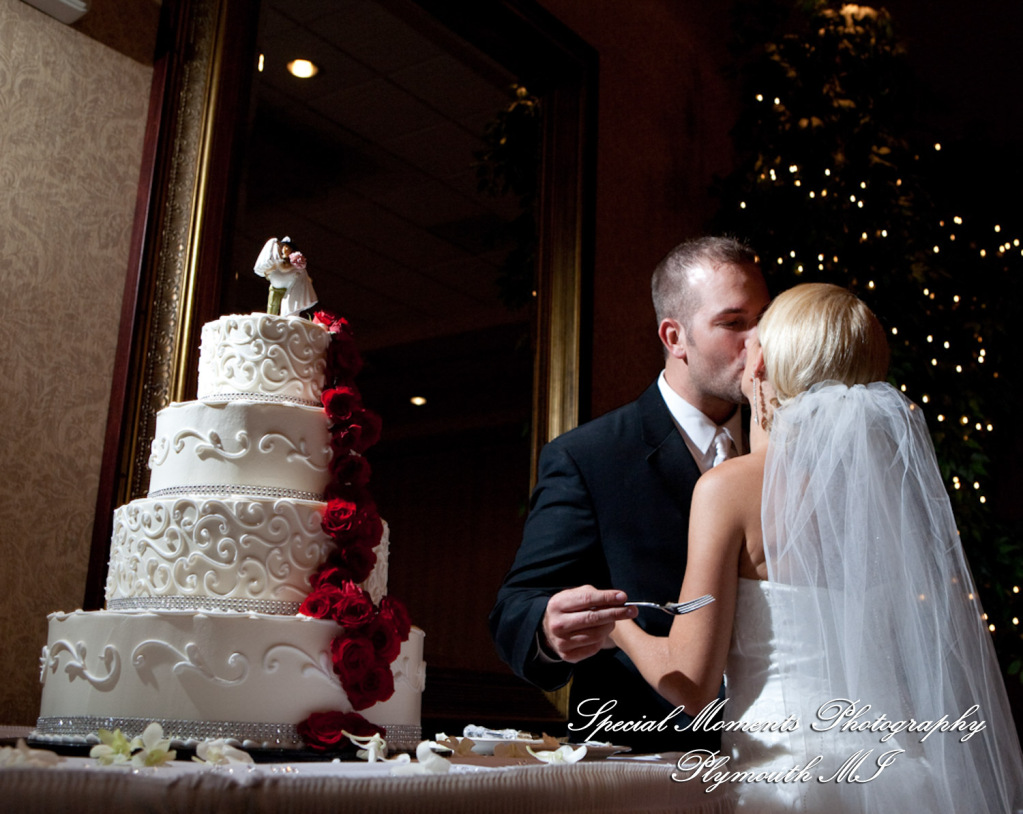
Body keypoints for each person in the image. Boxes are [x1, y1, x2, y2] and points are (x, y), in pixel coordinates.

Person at [610, 283, 1023, 811]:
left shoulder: (729, 488)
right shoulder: (884, 494)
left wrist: (618, 625)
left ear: (761, 372)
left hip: (787, 780)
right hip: (895, 772)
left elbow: (691, 685)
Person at [489, 236, 770, 753]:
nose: (758, 345)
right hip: (644, 767)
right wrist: (549, 629)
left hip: (784, 754)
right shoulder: (589, 457)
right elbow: (515, 608)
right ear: (674, 336)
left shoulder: (791, 452)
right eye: (734, 324)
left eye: (764, 322)